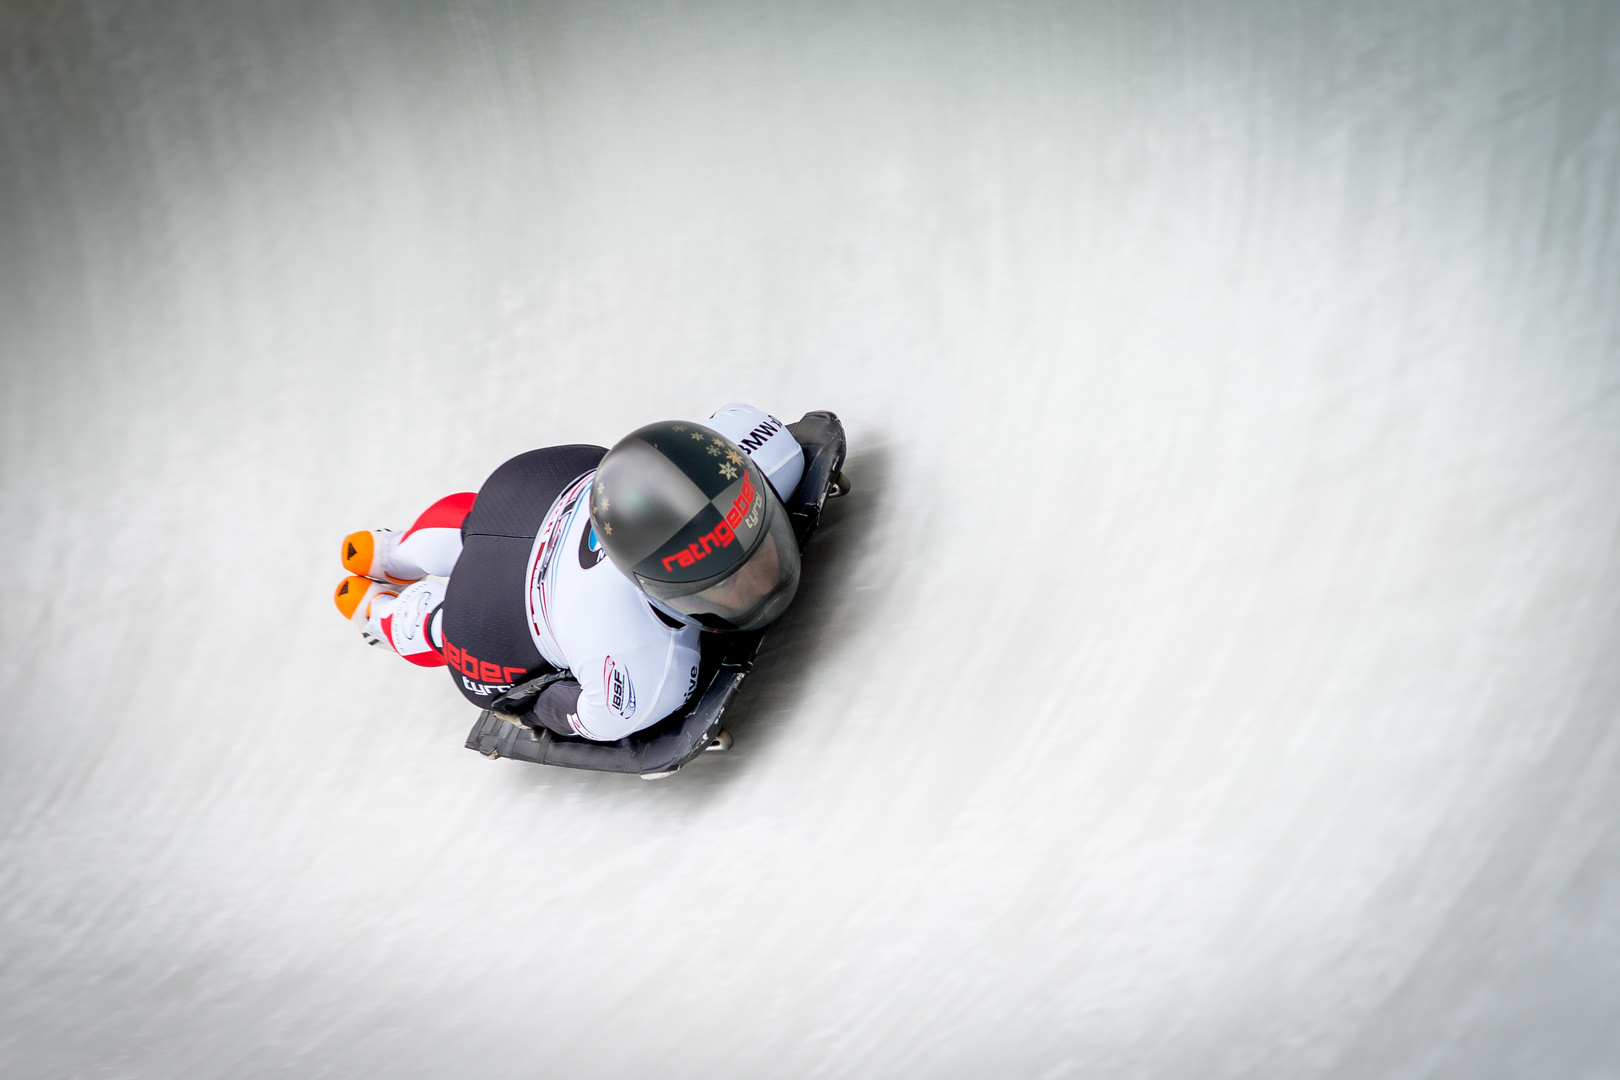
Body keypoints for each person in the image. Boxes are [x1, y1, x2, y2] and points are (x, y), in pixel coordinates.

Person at [332, 404, 806, 742]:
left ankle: (393, 550)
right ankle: (382, 613)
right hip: (496, 617)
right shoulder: (642, 672)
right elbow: (580, 714)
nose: (756, 586)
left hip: (541, 483)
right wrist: (529, 703)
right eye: (718, 582)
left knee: (474, 524)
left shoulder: (770, 451)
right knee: (449, 633)